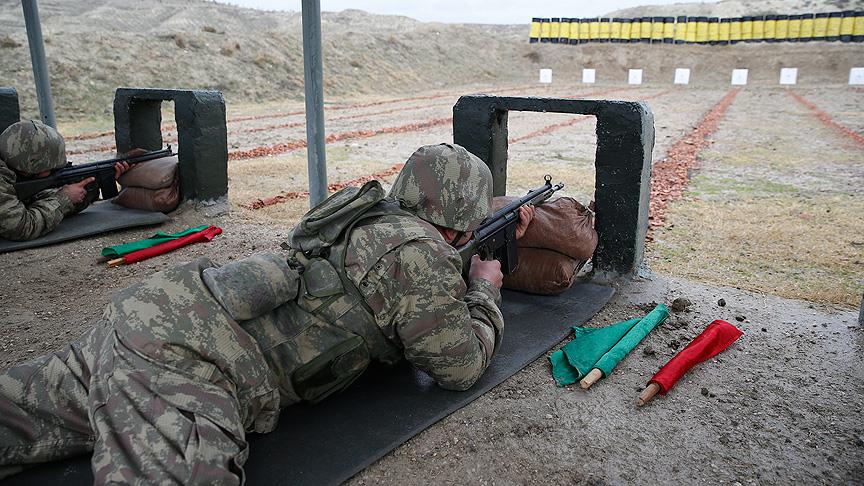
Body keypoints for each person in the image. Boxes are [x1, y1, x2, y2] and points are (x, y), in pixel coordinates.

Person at [0, 142, 534, 483]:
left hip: (160, 311)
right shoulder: (419, 255)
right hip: (189, 361)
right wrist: (484, 289)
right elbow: (458, 367)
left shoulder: (366, 215)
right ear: (462, 215)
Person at [0, 119, 130, 241]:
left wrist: (93, 183)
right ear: (28, 166)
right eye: (50, 168)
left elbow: (33, 200)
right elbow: (21, 227)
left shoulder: (11, 165)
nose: (53, 171)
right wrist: (63, 199)